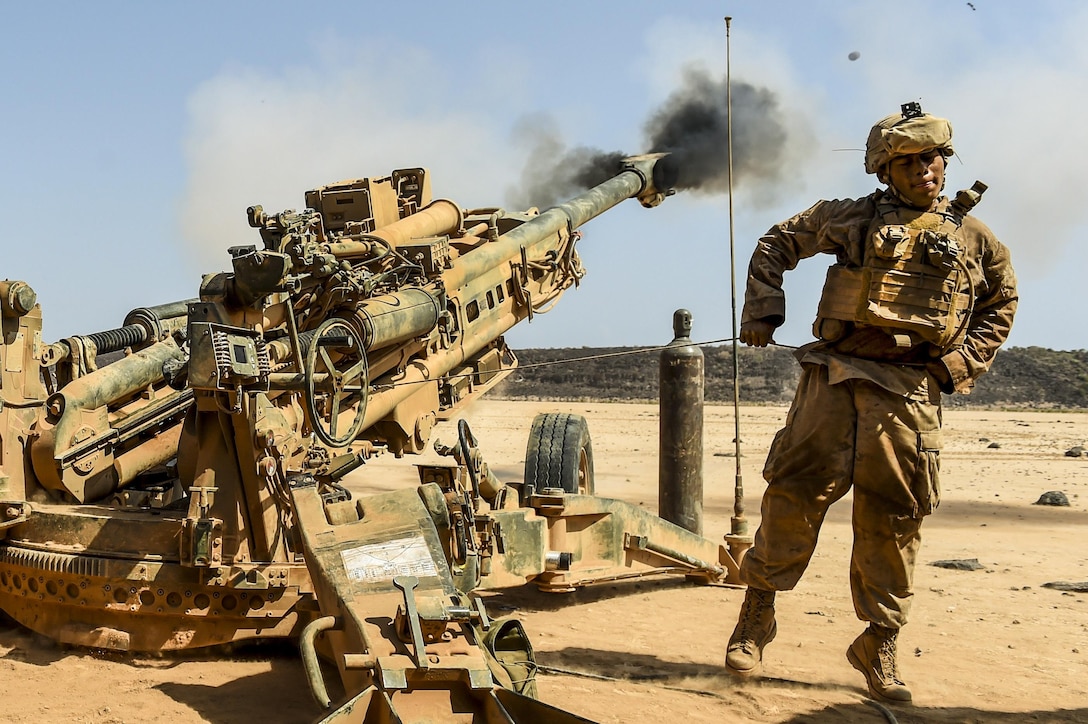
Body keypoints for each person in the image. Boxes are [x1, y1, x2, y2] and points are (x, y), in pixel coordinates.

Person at [723, 102, 1018, 705]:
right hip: (834, 378)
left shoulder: (973, 238)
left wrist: (959, 363)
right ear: (885, 170)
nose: (924, 171)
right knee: (792, 496)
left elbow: (1002, 302)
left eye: (932, 160)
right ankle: (757, 615)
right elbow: (777, 241)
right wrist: (762, 312)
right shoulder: (853, 218)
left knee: (895, 518)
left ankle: (879, 641)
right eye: (908, 162)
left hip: (908, 393)